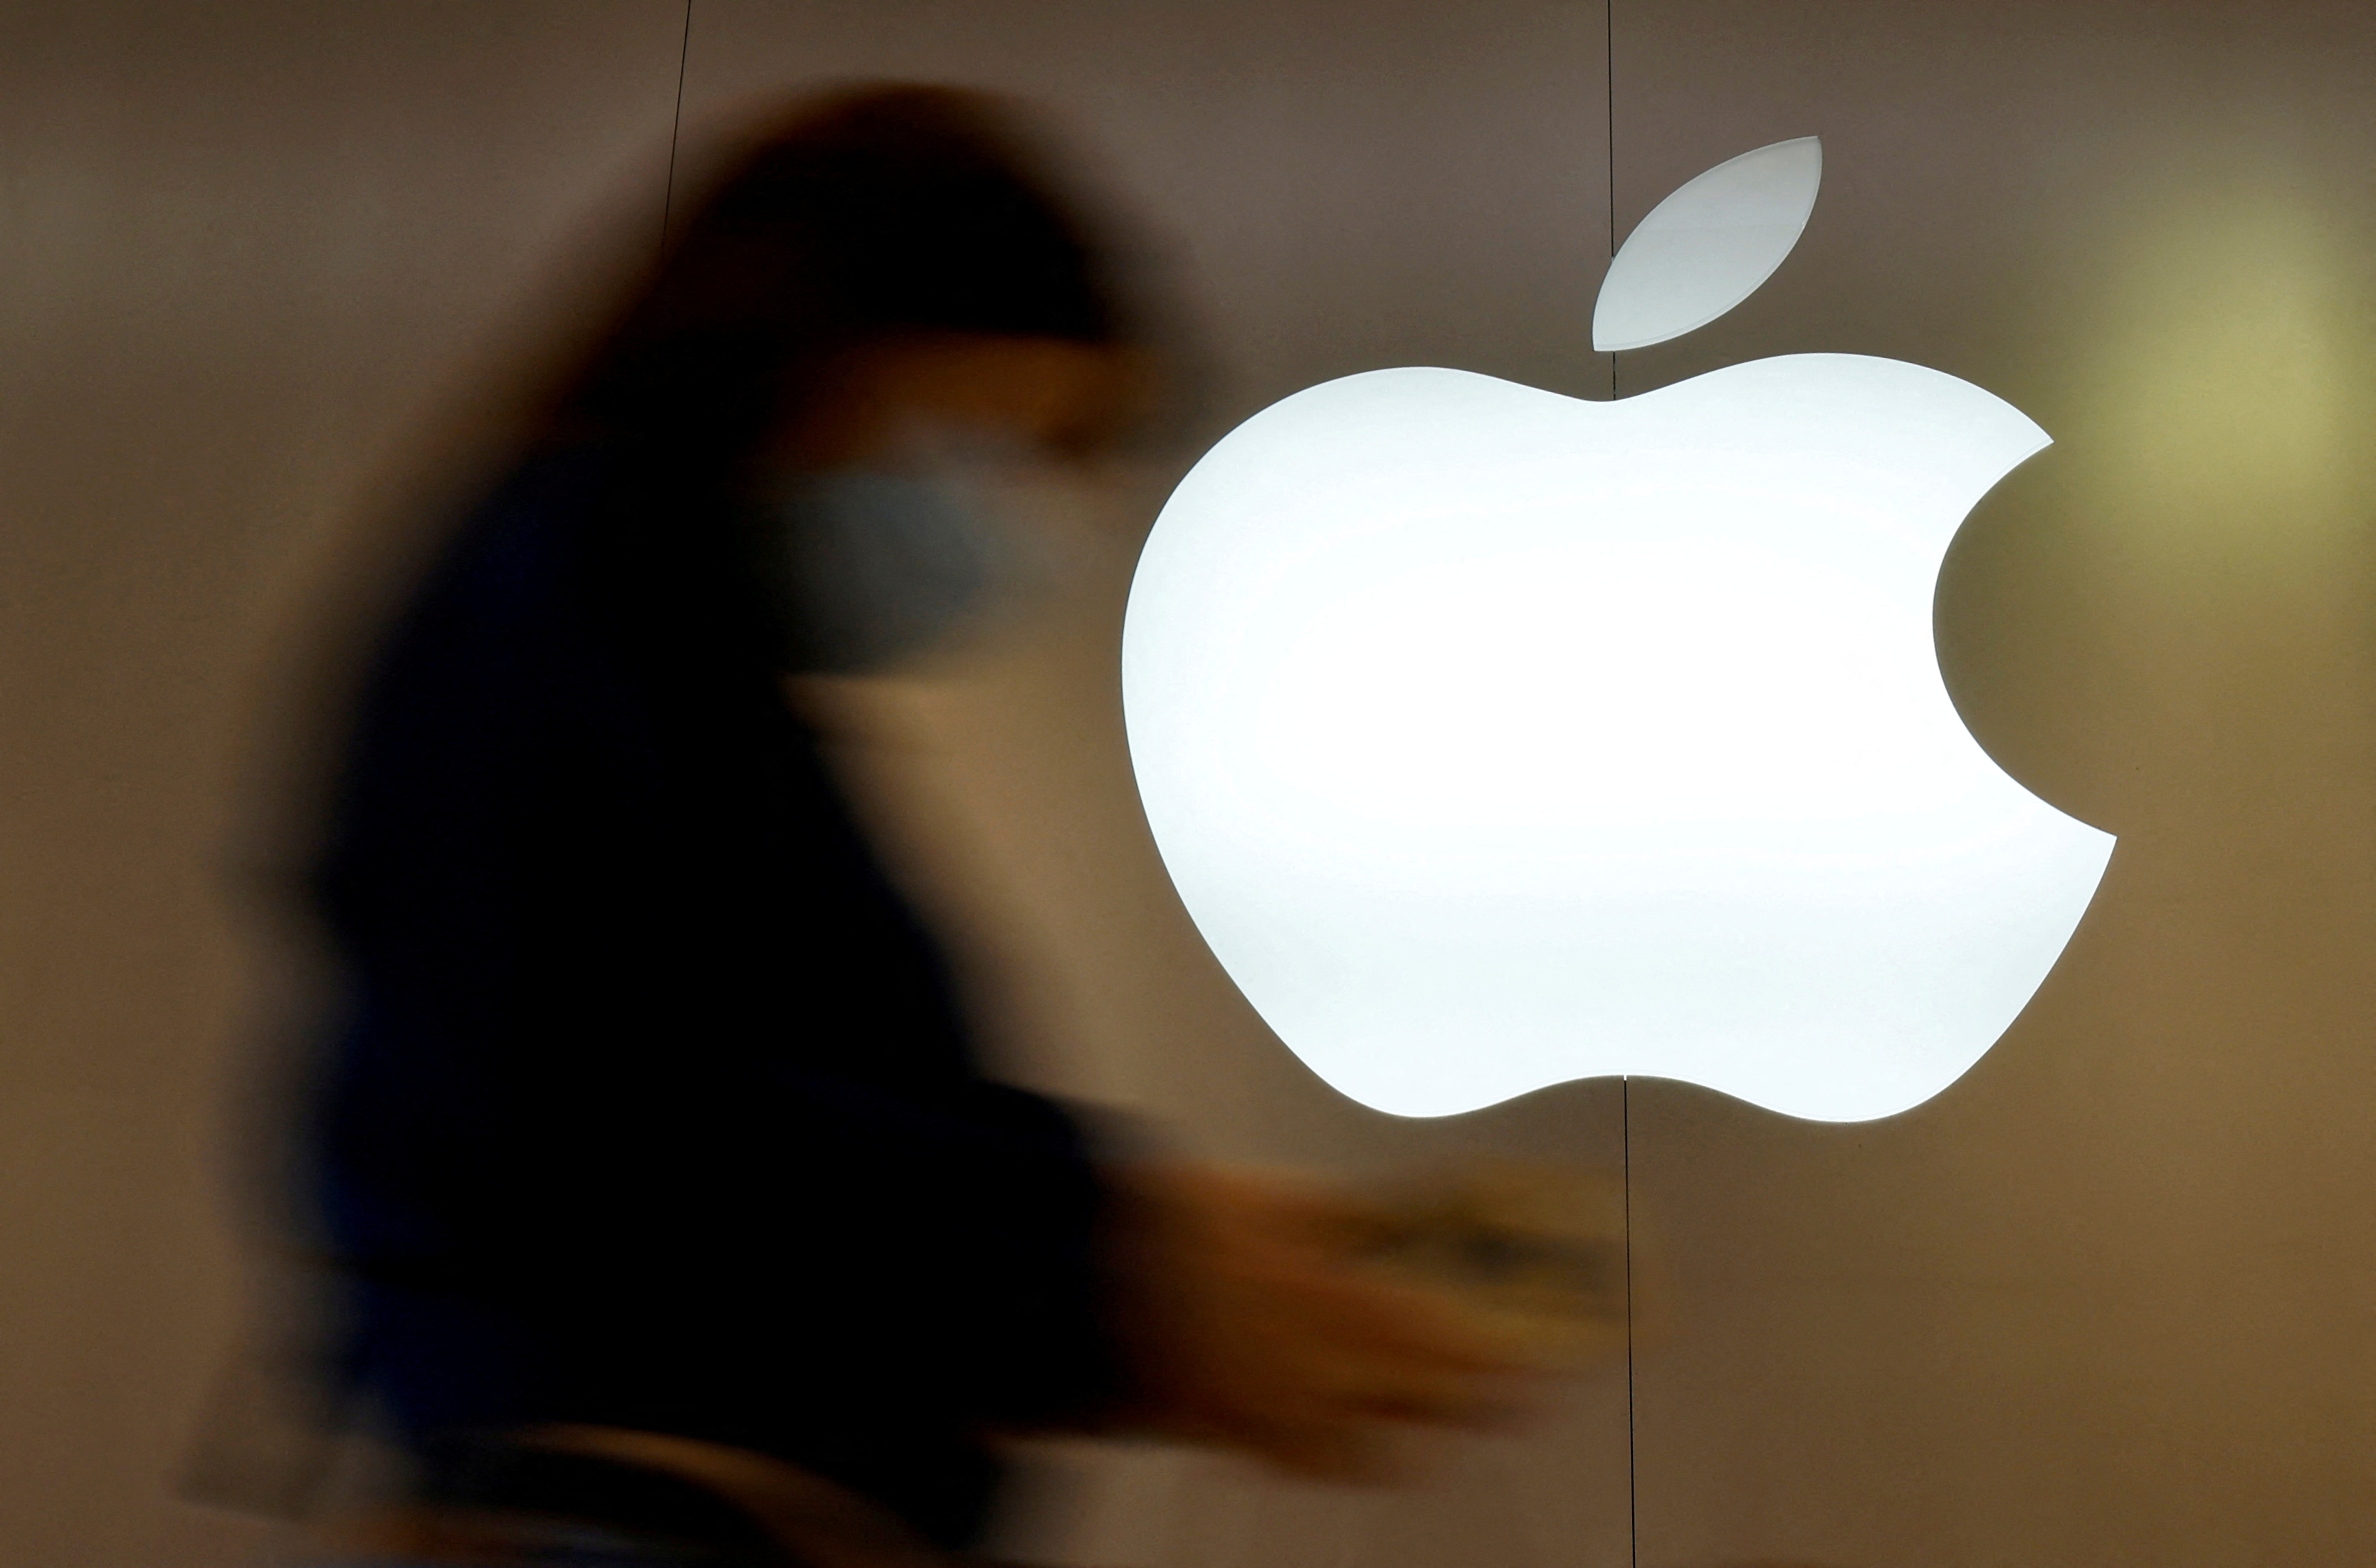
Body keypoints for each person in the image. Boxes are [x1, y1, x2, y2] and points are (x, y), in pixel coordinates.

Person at [293, 83, 1530, 1565]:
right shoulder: (556, 619)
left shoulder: (650, 643)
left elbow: (763, 1091)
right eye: (989, 446)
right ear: (820, 356)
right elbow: (633, 1117)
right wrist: (1108, 1265)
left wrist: (1147, 1234)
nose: (1004, 523)